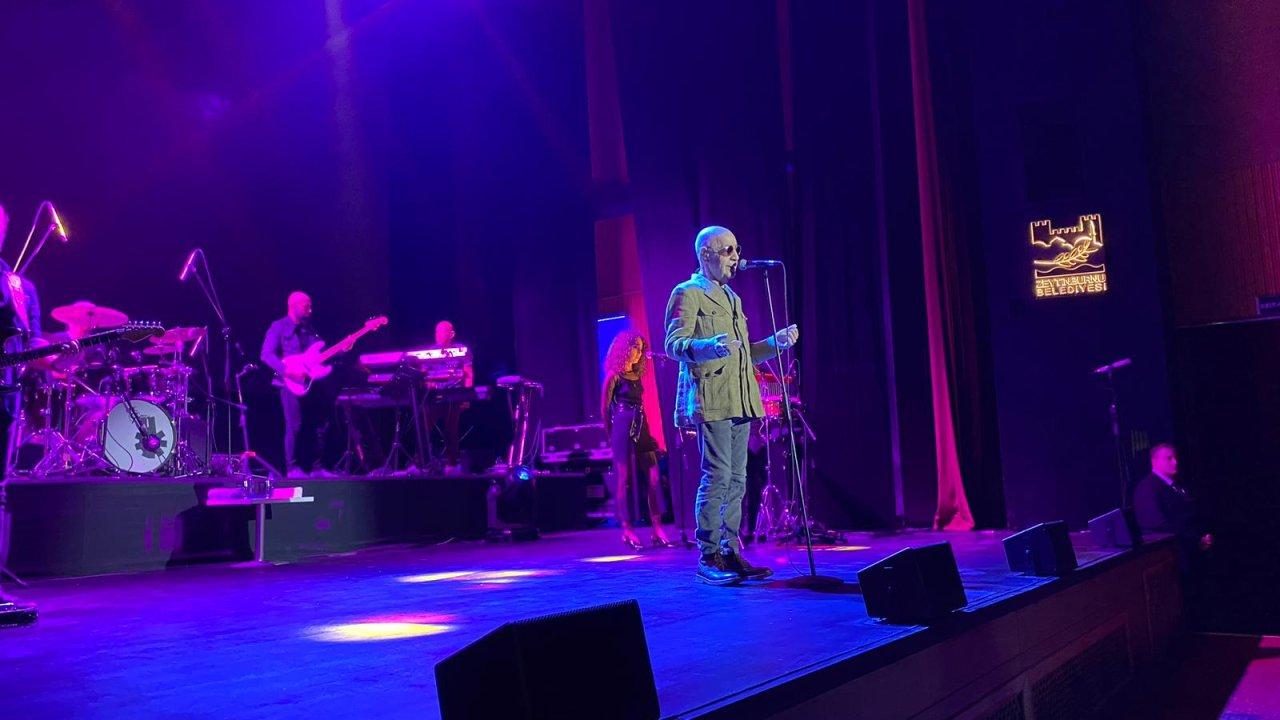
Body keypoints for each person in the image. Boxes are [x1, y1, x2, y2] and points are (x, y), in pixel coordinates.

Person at [664, 225, 798, 586]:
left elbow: (745, 353)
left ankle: (731, 550)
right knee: (717, 475)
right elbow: (674, 344)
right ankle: (708, 555)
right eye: (728, 251)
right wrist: (708, 346)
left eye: (737, 249)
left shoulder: (733, 298)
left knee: (738, 479)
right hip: (713, 397)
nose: (736, 257)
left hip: (741, 397)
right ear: (705, 255)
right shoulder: (688, 293)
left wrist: (774, 343)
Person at [602, 330, 674, 550]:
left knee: (653, 476)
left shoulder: (637, 374)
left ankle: (657, 528)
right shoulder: (614, 376)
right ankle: (627, 529)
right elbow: (605, 409)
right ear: (625, 349)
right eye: (635, 349)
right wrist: (610, 436)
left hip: (642, 425)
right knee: (623, 479)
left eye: (641, 350)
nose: (638, 354)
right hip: (622, 425)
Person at [260, 291, 331, 478]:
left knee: (318, 424)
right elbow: (266, 355)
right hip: (289, 383)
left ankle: (317, 468)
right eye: (306, 306)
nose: (310, 310)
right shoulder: (278, 327)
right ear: (294, 306)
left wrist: (342, 349)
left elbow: (318, 354)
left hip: (310, 381)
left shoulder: (309, 329)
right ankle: (292, 469)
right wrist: (289, 372)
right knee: (294, 425)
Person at [1133, 443, 1213, 553]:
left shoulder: (1175, 484)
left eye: (1175, 458)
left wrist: (1203, 535)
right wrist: (1196, 538)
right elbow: (1156, 526)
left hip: (1192, 548)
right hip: (1173, 552)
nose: (1175, 462)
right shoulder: (1147, 488)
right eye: (1169, 458)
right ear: (1154, 461)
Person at [424, 320, 473, 474]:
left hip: (454, 394)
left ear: (451, 334)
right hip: (436, 395)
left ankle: (452, 463)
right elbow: (425, 374)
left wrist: (466, 396)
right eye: (436, 331)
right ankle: (421, 461)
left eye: (441, 331)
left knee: (451, 428)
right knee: (423, 425)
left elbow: (468, 374)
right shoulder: (431, 352)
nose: (437, 335)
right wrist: (429, 384)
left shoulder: (461, 350)